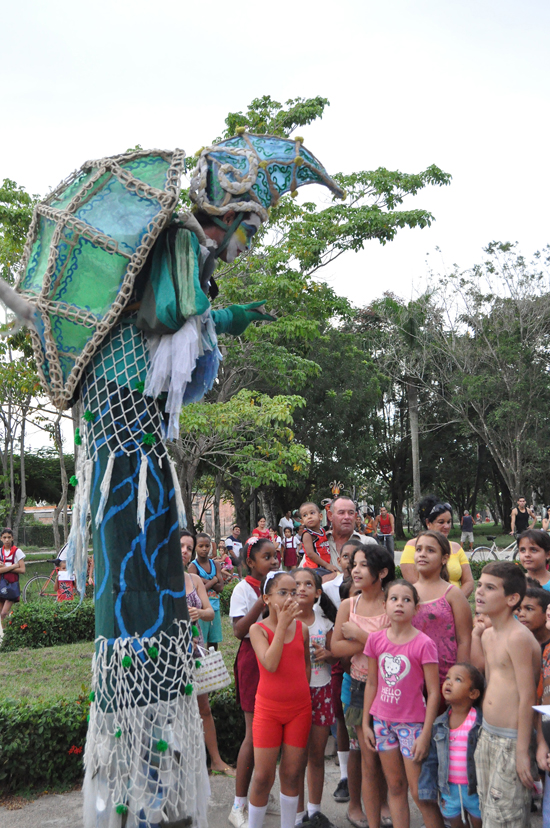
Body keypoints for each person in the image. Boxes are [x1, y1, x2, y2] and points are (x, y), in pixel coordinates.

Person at [363, 579, 444, 828]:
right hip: (382, 722)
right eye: (394, 599)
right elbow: (372, 684)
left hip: (413, 725)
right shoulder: (375, 640)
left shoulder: (424, 644)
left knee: (421, 793)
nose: (400, 604)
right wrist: (367, 723)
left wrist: (426, 733)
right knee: (395, 786)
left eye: (407, 599)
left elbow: (433, 692)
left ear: (416, 608)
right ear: (385, 605)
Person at [332, 544, 396, 828]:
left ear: (382, 572)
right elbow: (335, 646)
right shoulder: (349, 605)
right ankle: (370, 814)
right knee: (368, 755)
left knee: (388, 756)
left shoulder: (393, 603)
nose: (355, 570)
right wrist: (375, 640)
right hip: (359, 687)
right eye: (353, 564)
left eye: (363, 565)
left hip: (393, 688)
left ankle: (384, 805)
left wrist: (359, 636)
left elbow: (397, 648)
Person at [473, 561, 540, 828]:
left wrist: (523, 751)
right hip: (487, 733)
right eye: (479, 585)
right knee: (487, 809)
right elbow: (490, 682)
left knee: (505, 818)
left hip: (512, 742)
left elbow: (528, 697)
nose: (479, 592)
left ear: (512, 598)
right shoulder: (488, 635)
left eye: (490, 588)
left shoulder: (518, 638)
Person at [248, 571, 311, 828]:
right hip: (268, 711)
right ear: (267, 598)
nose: (289, 598)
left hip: (299, 710)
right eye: (282, 593)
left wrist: (300, 694)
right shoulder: (258, 630)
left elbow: (305, 666)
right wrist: (283, 623)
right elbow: (270, 664)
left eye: (293, 592)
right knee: (263, 776)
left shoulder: (303, 629)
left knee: (292, 773)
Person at [229, 537, 279, 828]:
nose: (274, 561)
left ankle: (262, 794)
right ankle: (238, 804)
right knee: (253, 733)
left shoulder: (279, 584)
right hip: (252, 660)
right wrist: (262, 601)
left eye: (276, 556)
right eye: (267, 557)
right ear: (251, 562)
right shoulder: (242, 589)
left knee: (273, 733)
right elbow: (238, 631)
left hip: (276, 656)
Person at [180, 530, 236, 777]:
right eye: (180, 546)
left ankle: (215, 760)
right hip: (169, 657)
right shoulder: (156, 581)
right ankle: (183, 765)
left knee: (204, 708)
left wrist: (198, 613)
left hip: (194, 652)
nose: (184, 551)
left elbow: (210, 612)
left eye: (188, 548)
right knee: (175, 710)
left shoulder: (192, 580)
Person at [294, 568, 338, 828]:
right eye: (296, 584)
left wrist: (327, 654)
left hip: (321, 690)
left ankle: (315, 810)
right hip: (296, 695)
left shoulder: (324, 620)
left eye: (308, 584)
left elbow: (336, 653)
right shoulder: (285, 621)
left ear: (317, 593)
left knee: (316, 755)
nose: (301, 588)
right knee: (295, 758)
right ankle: (297, 815)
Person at [322, 538, 362, 816]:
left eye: (357, 558)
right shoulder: (332, 589)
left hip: (366, 671)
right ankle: (346, 774)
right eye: (347, 557)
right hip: (342, 668)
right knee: (342, 719)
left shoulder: (378, 595)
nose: (351, 563)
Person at [419, 663, 485, 828]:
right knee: (454, 822)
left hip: (475, 790)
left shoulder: (479, 722)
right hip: (449, 790)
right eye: (448, 678)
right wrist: (428, 788)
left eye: (457, 679)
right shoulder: (440, 723)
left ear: (473, 693)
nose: (448, 682)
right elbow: (432, 759)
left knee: (479, 822)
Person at [411, 531, 472, 693]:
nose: (422, 554)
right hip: (411, 676)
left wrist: (459, 678)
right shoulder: (406, 594)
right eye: (419, 549)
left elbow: (464, 639)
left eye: (430, 550)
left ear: (444, 559)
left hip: (445, 678)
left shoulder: (453, 594)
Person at [400, 496, 474, 598]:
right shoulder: (412, 546)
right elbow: (413, 584)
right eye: (441, 522)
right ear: (428, 523)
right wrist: (439, 605)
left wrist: (455, 602)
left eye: (449, 522)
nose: (447, 526)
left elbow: (469, 582)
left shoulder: (456, 547)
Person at [188, 532, 224, 651]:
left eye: (207, 546)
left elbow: (221, 588)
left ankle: (213, 664)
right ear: (195, 547)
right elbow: (197, 591)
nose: (204, 549)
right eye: (201, 546)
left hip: (215, 607)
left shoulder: (216, 564)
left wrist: (204, 582)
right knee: (201, 640)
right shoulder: (193, 567)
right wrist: (213, 581)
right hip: (201, 609)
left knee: (214, 640)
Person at [325, 496, 376, 571]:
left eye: (351, 513)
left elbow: (377, 576)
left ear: (355, 516)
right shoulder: (319, 543)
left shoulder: (368, 544)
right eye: (341, 513)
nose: (347, 517)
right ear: (330, 515)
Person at [300, 502, 336, 576]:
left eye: (312, 513)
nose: (309, 517)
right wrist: (326, 565)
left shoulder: (322, 531)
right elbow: (310, 554)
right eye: (305, 515)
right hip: (314, 569)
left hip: (323, 567)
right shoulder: (307, 534)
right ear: (302, 522)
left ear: (320, 516)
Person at [0, 528, 25, 625]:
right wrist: (13, 566)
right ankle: (5, 635)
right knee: (1, 614)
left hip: (12, 586)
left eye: (9, 537)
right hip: (1, 585)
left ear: (12, 538)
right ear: (1, 538)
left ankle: (7, 635)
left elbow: (22, 570)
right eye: (4, 537)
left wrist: (5, 567)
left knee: (4, 613)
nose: (7, 540)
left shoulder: (17, 552)